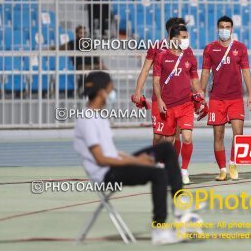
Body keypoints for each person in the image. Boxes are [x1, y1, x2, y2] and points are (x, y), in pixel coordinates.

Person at [74, 71, 185, 245]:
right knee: (158, 173)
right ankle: (160, 229)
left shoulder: (99, 117)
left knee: (165, 149)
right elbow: (101, 159)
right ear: (102, 92)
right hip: (107, 174)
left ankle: (181, 209)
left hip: (117, 164)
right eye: (111, 89)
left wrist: (135, 157)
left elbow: (112, 152)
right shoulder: (87, 120)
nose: (113, 93)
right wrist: (137, 161)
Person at [200, 16, 251, 181]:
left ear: (232, 29)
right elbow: (205, 72)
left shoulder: (240, 48)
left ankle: (233, 163)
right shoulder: (210, 48)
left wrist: (250, 94)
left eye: (228, 27)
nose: (225, 29)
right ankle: (222, 169)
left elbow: (245, 71)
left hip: (236, 98)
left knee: (239, 133)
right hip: (217, 99)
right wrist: (201, 94)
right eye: (222, 26)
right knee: (218, 135)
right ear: (218, 29)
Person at [132, 17, 189, 157]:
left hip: (179, 99)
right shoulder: (157, 47)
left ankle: (172, 166)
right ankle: (155, 160)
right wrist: (138, 91)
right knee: (158, 136)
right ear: (171, 31)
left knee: (175, 135)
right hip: (160, 99)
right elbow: (145, 70)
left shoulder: (186, 49)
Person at [153, 25, 202, 185]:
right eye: (183, 37)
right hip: (168, 105)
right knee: (168, 141)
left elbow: (194, 81)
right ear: (174, 39)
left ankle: (184, 170)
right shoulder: (161, 57)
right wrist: (159, 100)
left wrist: (201, 95)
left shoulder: (190, 58)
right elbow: (156, 81)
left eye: (187, 37)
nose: (186, 40)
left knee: (187, 137)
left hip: (186, 105)